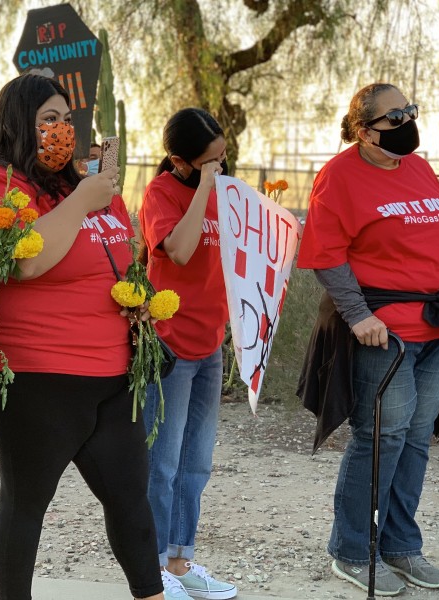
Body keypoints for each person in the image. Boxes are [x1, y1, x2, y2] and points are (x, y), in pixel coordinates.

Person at [0, 71, 170, 600]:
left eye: (67, 119)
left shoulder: (85, 182)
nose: (61, 130)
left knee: (131, 502)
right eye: (47, 120)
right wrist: (81, 201)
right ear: (17, 124)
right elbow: (26, 264)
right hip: (40, 379)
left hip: (113, 375)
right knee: (26, 506)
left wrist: (137, 300)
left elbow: (122, 257)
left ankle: (152, 593)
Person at [297, 82, 439, 596]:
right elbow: (325, 252)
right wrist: (358, 315)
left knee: (417, 440)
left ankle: (401, 546)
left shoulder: (420, 168)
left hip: (435, 328)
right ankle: (352, 550)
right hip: (385, 333)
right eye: (395, 117)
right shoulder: (338, 177)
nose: (408, 122)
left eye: (411, 110)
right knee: (380, 438)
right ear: (364, 131)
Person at [138, 108, 238, 600]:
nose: (221, 168)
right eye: (209, 162)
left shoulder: (225, 192)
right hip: (170, 344)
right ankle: (153, 566)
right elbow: (177, 249)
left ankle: (181, 557)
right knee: (164, 461)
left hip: (210, 341)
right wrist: (202, 189)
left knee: (196, 461)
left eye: (224, 157)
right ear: (179, 161)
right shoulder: (161, 193)